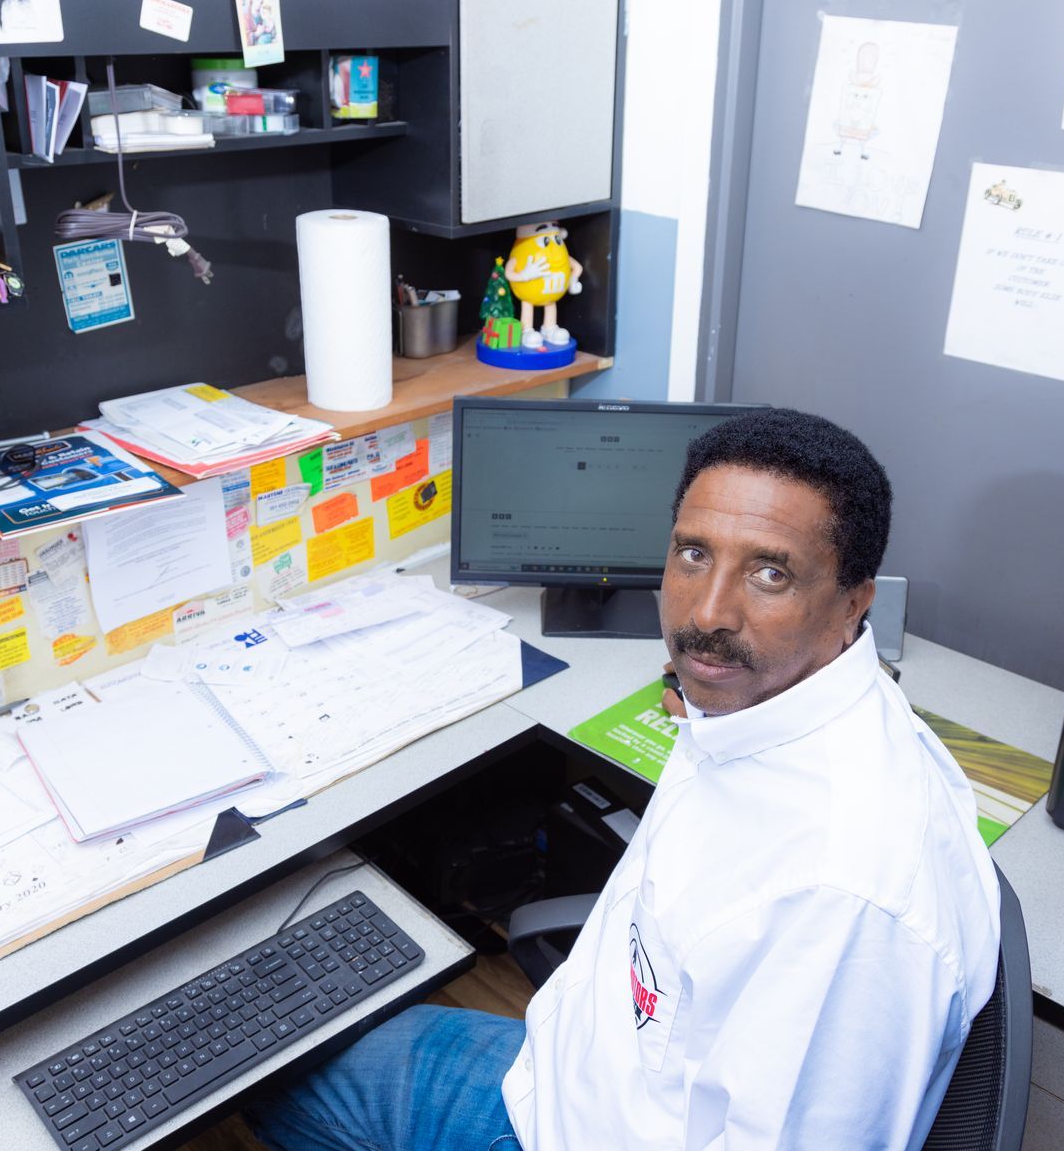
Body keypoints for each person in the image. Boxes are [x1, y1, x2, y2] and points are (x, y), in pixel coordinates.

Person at [246, 408, 1001, 1151]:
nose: (708, 613)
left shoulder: (844, 899)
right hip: (575, 1069)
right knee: (283, 1055)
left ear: (853, 604)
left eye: (770, 573)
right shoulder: (765, 699)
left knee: (274, 1088)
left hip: (575, 1125)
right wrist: (709, 690)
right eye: (694, 553)